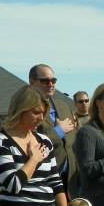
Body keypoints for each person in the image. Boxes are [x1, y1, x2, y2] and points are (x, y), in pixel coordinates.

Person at [28, 63, 78, 193]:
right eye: (45, 81)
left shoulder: (64, 106)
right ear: (32, 82)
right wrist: (59, 131)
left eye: (53, 80)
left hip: (71, 179)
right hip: (44, 178)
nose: (50, 84)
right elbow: (30, 142)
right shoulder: (26, 108)